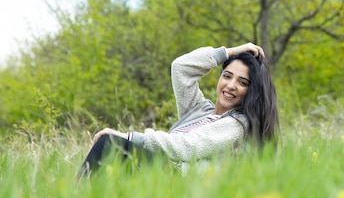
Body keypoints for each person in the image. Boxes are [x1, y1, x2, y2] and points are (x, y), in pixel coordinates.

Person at [76, 42, 279, 179]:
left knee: (111, 144)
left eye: (242, 82)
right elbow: (181, 68)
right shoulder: (199, 110)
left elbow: (185, 147)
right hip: (162, 173)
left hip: (181, 185)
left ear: (251, 91)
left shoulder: (237, 125)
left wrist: (128, 136)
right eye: (227, 76)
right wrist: (228, 52)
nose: (231, 85)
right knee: (109, 157)